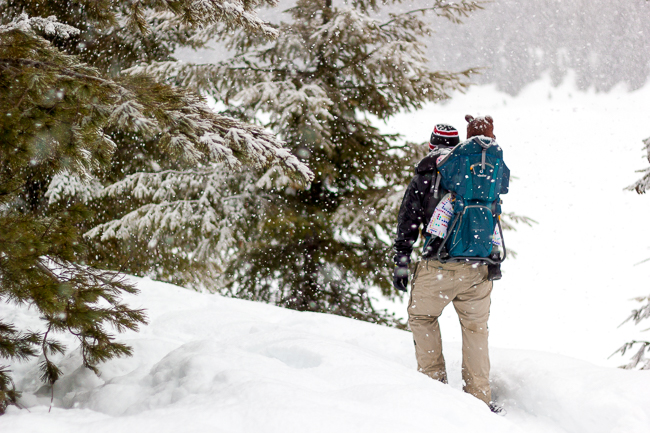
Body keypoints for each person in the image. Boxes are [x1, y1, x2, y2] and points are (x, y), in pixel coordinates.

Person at [393, 117, 504, 415]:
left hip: (437, 267)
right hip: (479, 267)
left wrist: (402, 263)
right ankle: (479, 400)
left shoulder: (426, 176)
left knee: (423, 317)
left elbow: (408, 224)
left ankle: (434, 391)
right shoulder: (476, 173)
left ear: (431, 145)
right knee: (475, 328)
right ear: (458, 147)